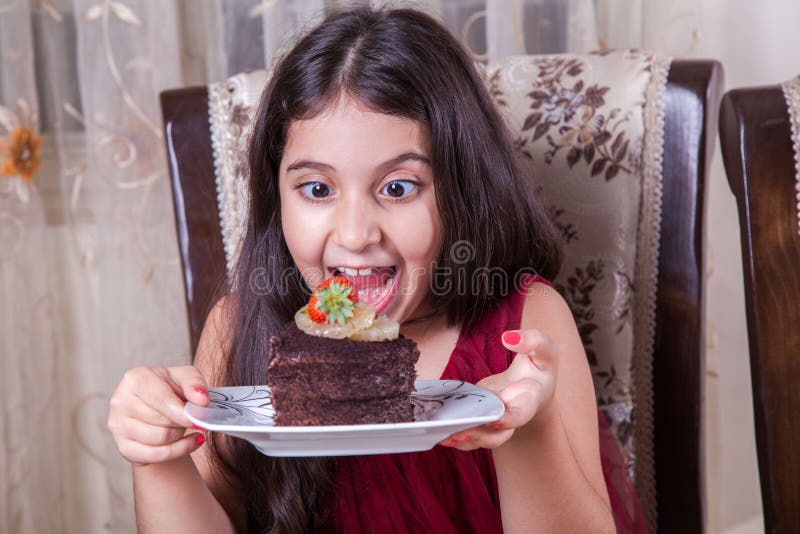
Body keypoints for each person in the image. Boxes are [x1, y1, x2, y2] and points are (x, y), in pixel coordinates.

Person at [107, 5, 646, 533]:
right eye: (317, 189)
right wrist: (158, 458)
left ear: (463, 191)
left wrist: (532, 429)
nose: (355, 234)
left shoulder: (523, 330)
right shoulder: (237, 328)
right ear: (277, 199)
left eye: (398, 188)